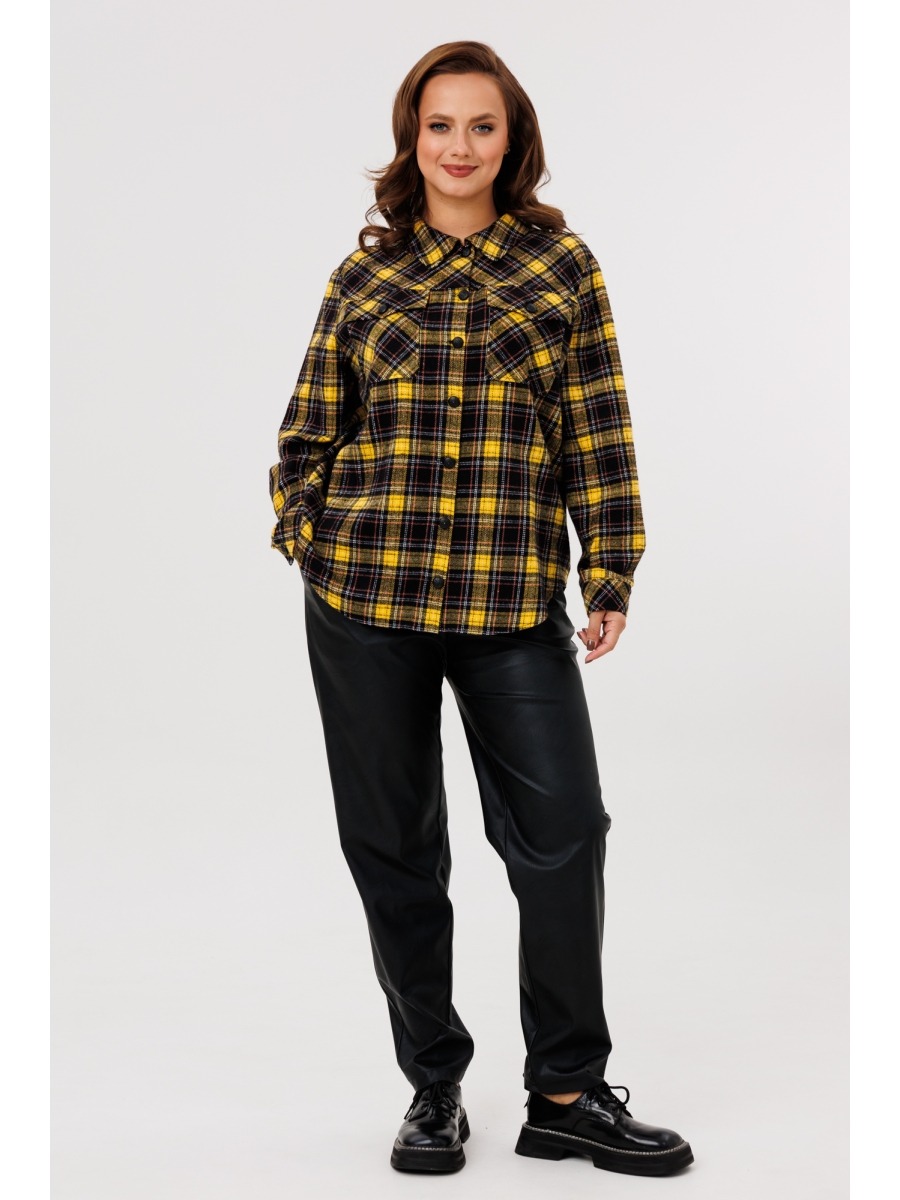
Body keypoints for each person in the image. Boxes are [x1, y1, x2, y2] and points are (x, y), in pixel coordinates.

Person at [269, 40, 693, 1178]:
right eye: (440, 125)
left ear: (514, 141)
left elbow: (599, 428)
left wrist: (610, 570)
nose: (459, 147)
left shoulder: (561, 268)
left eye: (482, 126)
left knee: (565, 834)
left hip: (509, 604)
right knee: (396, 848)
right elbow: (306, 433)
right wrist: (313, 537)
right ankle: (433, 1086)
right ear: (413, 140)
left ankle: (565, 1092)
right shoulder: (365, 279)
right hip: (367, 602)